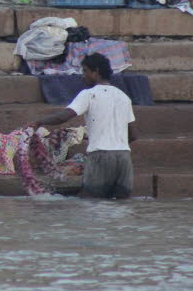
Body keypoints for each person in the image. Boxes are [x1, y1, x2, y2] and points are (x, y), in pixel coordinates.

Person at [26, 53, 137, 198]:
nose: (82, 75)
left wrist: (39, 122)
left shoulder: (89, 94)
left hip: (100, 156)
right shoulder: (124, 97)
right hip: (124, 159)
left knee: (90, 204)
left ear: (95, 71)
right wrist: (115, 144)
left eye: (85, 71)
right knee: (120, 208)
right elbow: (134, 135)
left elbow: (63, 116)